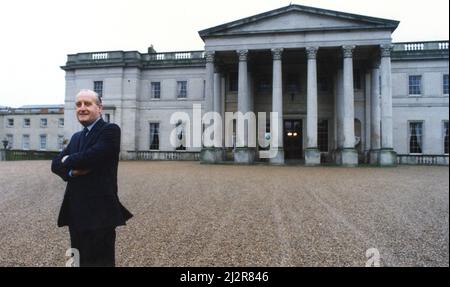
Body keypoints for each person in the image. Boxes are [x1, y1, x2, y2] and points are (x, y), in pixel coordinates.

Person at [51, 89, 132, 267]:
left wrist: (66, 159)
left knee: (100, 263)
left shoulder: (110, 130)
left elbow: (92, 156)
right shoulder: (76, 137)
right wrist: (71, 171)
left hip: (100, 213)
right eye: (78, 105)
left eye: (87, 104)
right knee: (78, 261)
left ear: (99, 108)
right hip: (76, 211)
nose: (82, 108)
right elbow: (54, 165)